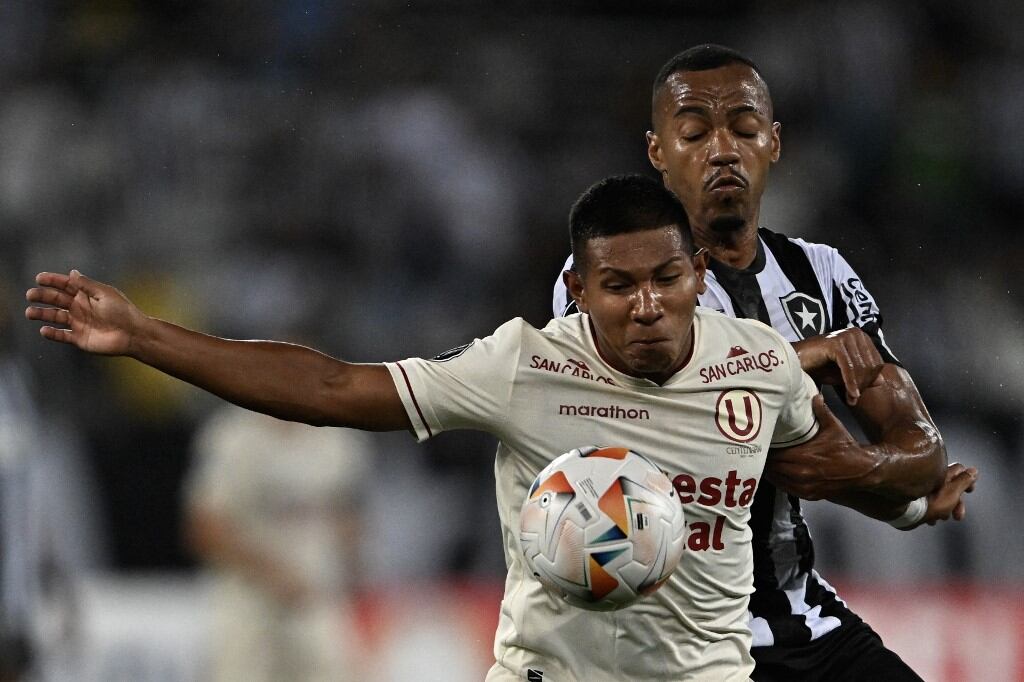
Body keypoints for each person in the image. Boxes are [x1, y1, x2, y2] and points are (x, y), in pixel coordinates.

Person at [26, 175, 972, 681]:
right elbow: (331, 385)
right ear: (581, 288)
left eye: (666, 279)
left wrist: (914, 500)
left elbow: (830, 469)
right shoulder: (525, 365)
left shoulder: (759, 364)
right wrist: (146, 334)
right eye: (618, 286)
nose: (647, 305)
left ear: (694, 273)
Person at [551, 45, 974, 680]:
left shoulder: (822, 275)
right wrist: (804, 360)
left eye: (744, 130)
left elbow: (921, 452)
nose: (722, 150)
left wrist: (865, 471)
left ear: (773, 143)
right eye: (694, 133)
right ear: (657, 152)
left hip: (794, 618)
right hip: (658, 632)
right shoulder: (607, 277)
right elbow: (656, 415)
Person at [183, 404, 373, 682]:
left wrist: (351, 573)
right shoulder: (233, 435)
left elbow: (349, 517)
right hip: (245, 599)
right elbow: (204, 529)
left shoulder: (338, 436)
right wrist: (273, 573)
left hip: (317, 596)